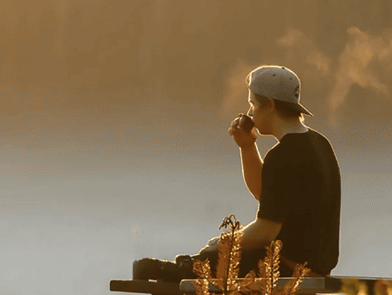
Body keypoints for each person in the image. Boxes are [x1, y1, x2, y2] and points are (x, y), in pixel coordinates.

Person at [133, 64, 342, 281]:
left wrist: (224, 243)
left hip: (288, 266)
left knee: (196, 270)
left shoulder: (283, 155)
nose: (250, 112)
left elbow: (265, 231)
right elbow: (267, 194)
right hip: (315, 266)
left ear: (269, 105)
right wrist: (247, 147)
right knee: (207, 260)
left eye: (252, 103)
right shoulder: (318, 143)